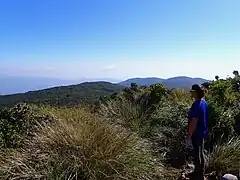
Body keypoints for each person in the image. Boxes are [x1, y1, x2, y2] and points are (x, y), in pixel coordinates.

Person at [187, 84, 209, 180]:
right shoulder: (204, 103)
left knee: (197, 154)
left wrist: (189, 134)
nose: (191, 93)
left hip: (196, 133)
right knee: (201, 152)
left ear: (196, 93)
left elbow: (194, 121)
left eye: (192, 91)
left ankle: (198, 174)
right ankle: (201, 172)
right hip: (202, 132)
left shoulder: (196, 105)